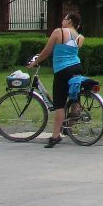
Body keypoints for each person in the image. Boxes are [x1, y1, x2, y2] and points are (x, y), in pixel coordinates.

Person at [28, 12, 85, 147]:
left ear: (70, 21)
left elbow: (47, 51)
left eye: (64, 18)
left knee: (59, 103)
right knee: (72, 93)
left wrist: (35, 62)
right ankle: (73, 113)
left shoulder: (58, 32)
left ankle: (55, 136)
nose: (62, 20)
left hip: (62, 69)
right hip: (77, 67)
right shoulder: (80, 37)